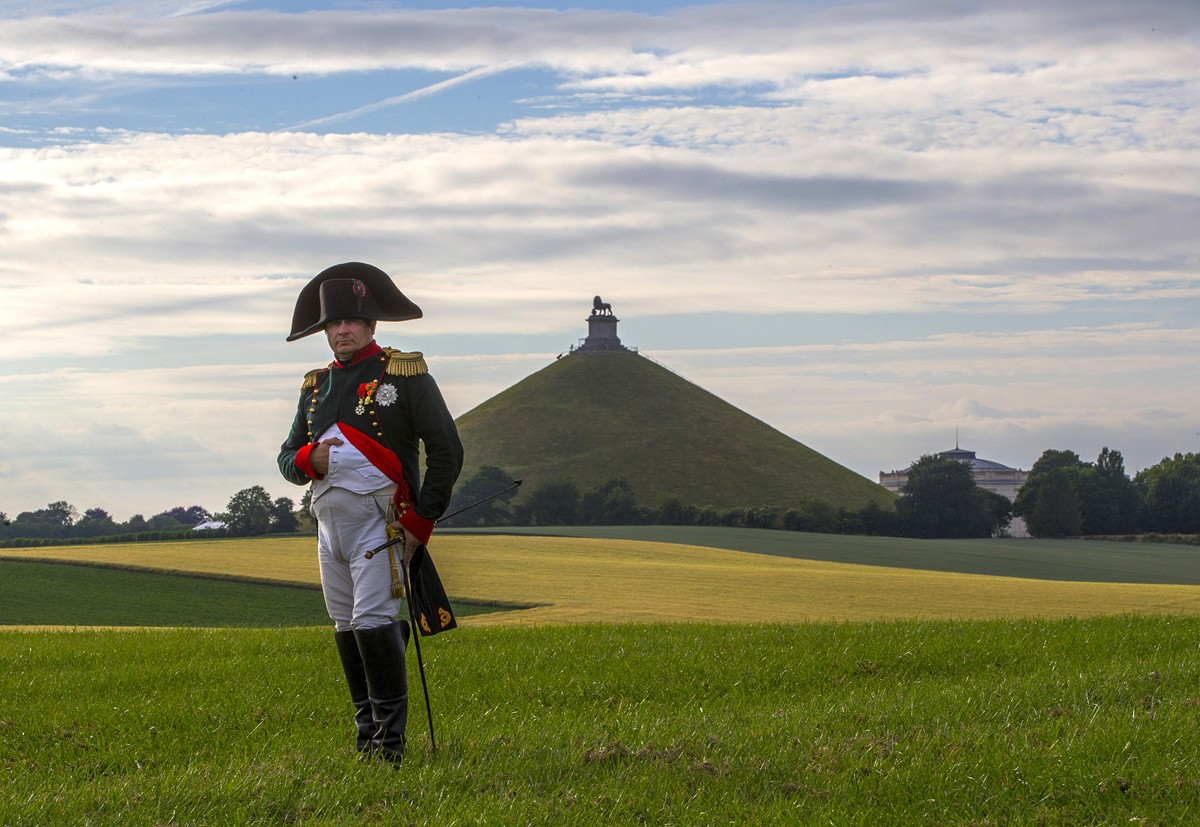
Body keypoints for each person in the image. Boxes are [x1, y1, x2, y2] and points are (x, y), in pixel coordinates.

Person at [278, 261, 463, 763]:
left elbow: (446, 450)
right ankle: (367, 737)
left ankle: (389, 749)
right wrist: (304, 460)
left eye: (352, 322)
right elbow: (286, 457)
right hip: (329, 529)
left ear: (371, 325)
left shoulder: (403, 372)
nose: (342, 330)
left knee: (372, 619)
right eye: (333, 324)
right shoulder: (314, 386)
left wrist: (420, 522)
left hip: (382, 524)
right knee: (346, 624)